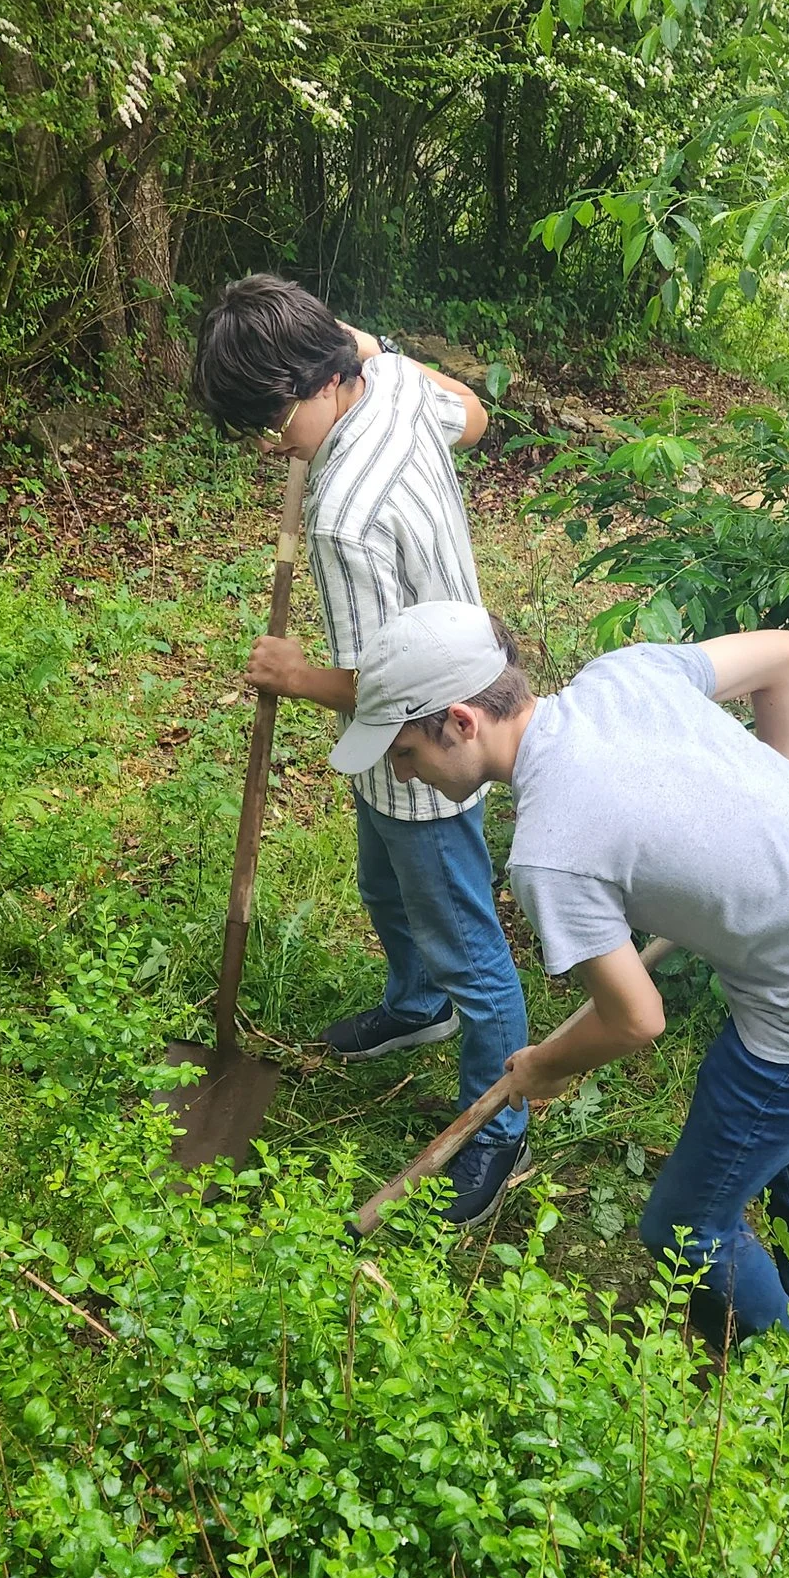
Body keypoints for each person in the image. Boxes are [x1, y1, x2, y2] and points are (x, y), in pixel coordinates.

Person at [331, 600, 789, 1344]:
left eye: (405, 751)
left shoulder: (551, 849)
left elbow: (636, 1018)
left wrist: (545, 1064)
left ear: (460, 720)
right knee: (788, 1136)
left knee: (684, 1223)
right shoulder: (627, 674)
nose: (400, 769)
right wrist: (770, 803)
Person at [189, 276, 530, 1220]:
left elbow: (390, 691)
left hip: (427, 744)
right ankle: (416, 1006)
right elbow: (476, 416)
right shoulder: (388, 380)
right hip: (461, 689)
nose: (271, 447)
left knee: (471, 946)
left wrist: (295, 675)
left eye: (272, 422)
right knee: (383, 886)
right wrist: (371, 343)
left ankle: (498, 1125)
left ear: (313, 377)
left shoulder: (343, 516)